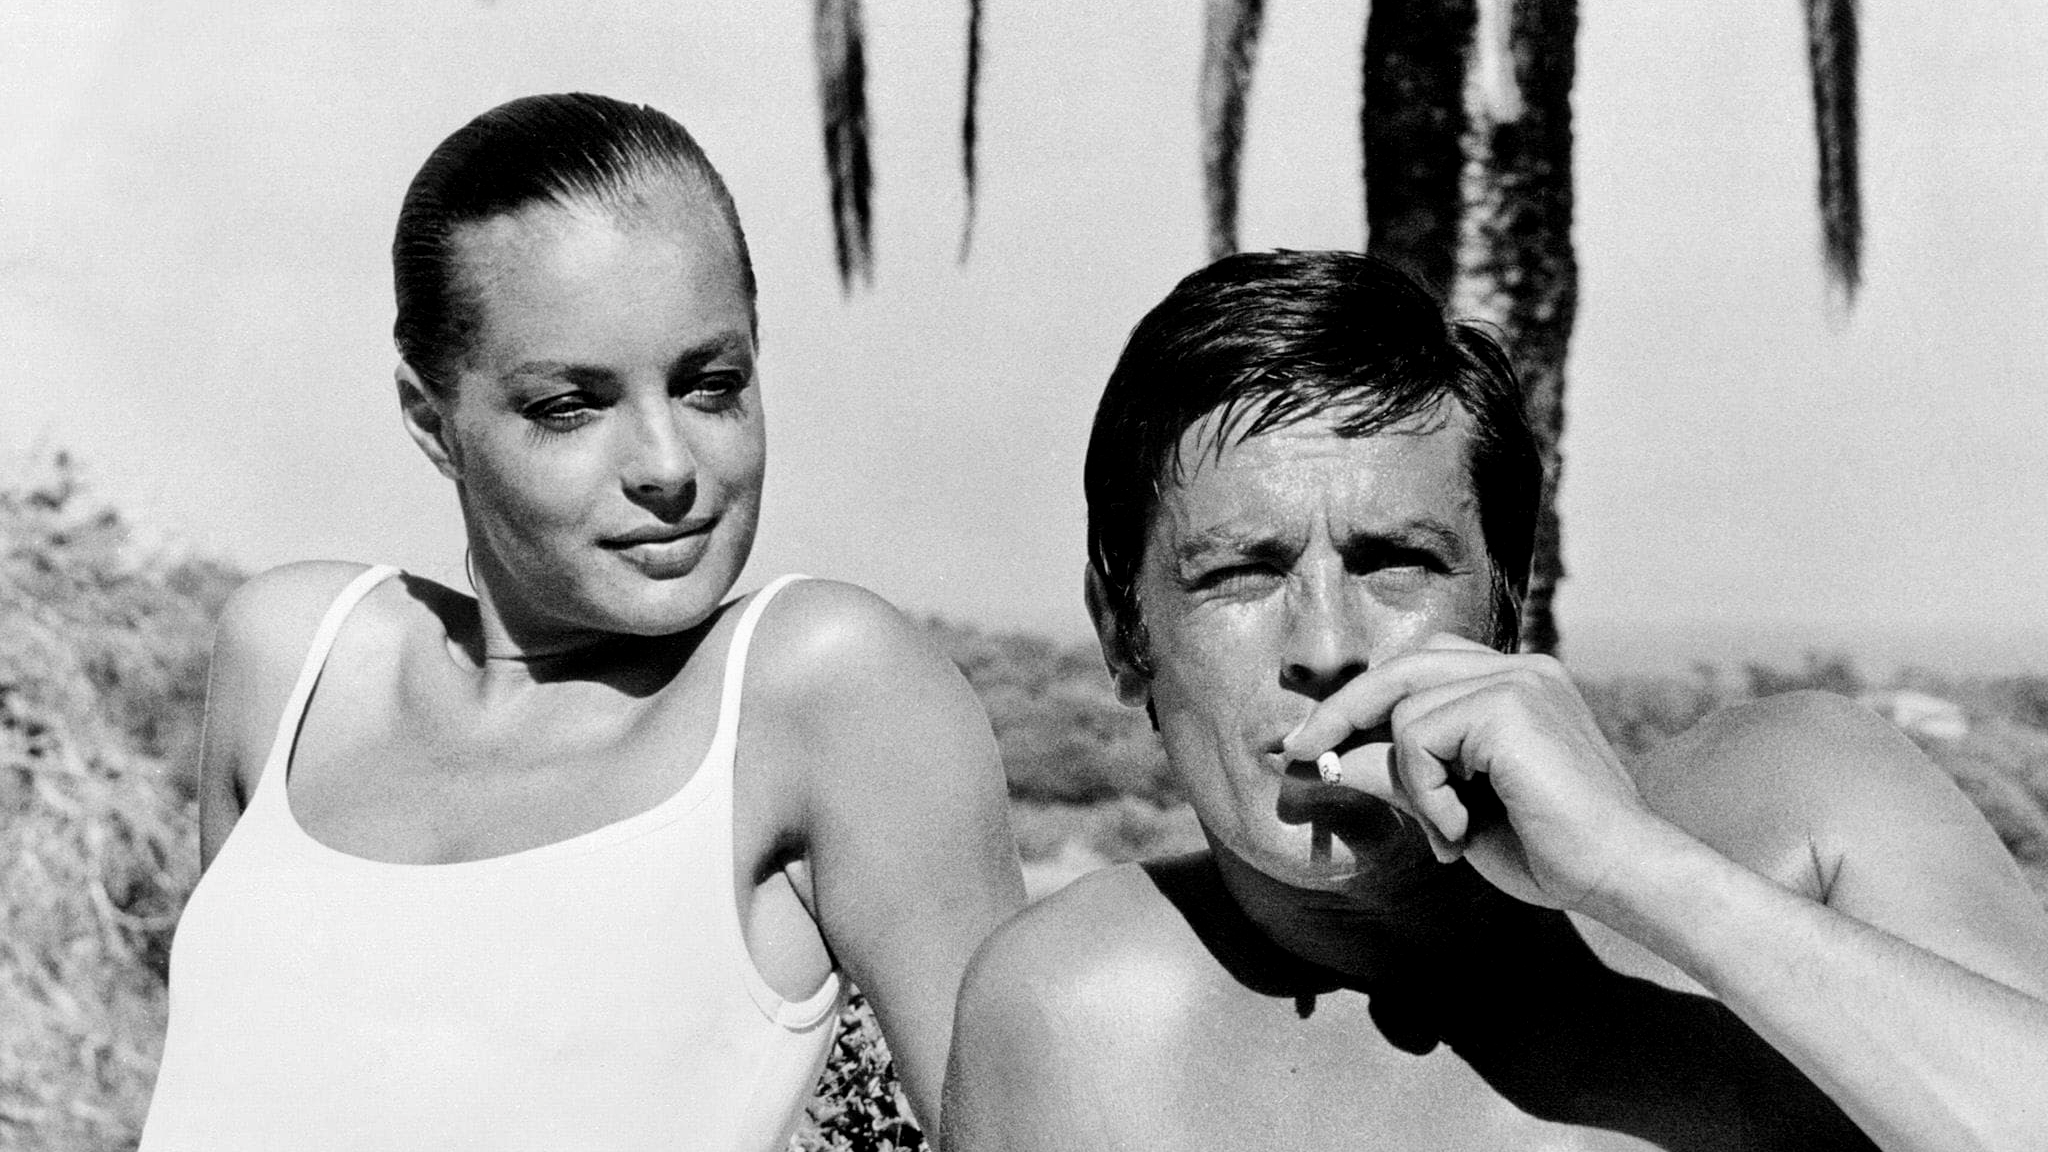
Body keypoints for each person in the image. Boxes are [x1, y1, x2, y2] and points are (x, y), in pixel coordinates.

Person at [941, 250, 2048, 1151]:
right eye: (1239, 572)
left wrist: (1635, 874)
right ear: (1123, 631)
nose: (1325, 647)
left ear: (1504, 603)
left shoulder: (1807, 809)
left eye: (1396, 563)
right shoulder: (1074, 1011)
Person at [139, 93, 1024, 1151]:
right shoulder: (296, 661)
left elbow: (1026, 1125)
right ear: (432, 421)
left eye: (710, 385)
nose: (666, 466)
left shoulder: (818, 689)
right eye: (570, 407)